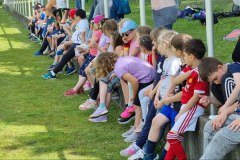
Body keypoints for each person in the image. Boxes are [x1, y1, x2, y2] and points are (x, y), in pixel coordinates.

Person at [164, 39, 209, 160]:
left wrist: (181, 113)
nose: (183, 58)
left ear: (191, 56)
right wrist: (187, 74)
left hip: (193, 108)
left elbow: (195, 98)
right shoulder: (189, 68)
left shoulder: (200, 73)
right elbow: (175, 81)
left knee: (172, 137)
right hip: (186, 106)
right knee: (175, 138)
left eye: (184, 56)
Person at [196, 57, 240, 159]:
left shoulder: (233, 71)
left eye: (215, 78)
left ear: (219, 67)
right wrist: (224, 113)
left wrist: (225, 108)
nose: (216, 82)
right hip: (236, 115)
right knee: (210, 126)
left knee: (221, 136)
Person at [42, 9, 89, 79]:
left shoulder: (82, 22)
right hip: (75, 43)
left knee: (65, 56)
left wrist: (82, 46)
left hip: (77, 44)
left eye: (75, 16)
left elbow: (82, 34)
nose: (74, 17)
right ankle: (54, 72)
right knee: (65, 55)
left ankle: (53, 73)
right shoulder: (81, 21)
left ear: (78, 16)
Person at [63, 15, 104, 95]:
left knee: (85, 70)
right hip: (92, 53)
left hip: (94, 54)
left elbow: (91, 43)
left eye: (93, 23)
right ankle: (80, 88)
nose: (92, 25)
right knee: (83, 69)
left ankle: (77, 89)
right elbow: (90, 44)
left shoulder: (99, 32)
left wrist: (85, 47)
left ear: (98, 23)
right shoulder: (95, 31)